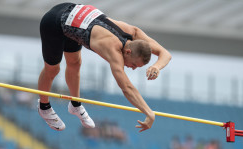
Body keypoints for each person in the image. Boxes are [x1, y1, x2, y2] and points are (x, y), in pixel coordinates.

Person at [38, 3, 172, 132]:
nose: (133, 68)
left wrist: (157, 67)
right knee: (53, 69)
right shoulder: (113, 51)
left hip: (73, 18)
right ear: (128, 52)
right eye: (134, 65)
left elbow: (166, 54)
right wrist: (149, 113)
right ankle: (44, 107)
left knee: (75, 63)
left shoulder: (134, 33)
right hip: (54, 23)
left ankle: (75, 105)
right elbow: (127, 88)